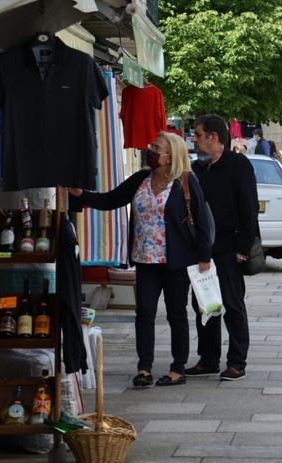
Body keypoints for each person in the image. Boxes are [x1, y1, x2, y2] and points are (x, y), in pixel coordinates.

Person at [69, 132, 213, 388]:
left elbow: (201, 220)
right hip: (145, 260)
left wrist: (204, 256)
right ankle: (144, 367)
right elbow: (110, 200)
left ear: (170, 156)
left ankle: (178, 368)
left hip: (176, 262)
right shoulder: (141, 179)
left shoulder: (185, 181)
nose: (150, 150)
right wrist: (81, 194)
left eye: (156, 147)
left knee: (176, 314)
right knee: (144, 313)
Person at [188, 114, 258, 381]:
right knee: (204, 304)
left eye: (198, 135)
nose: (194, 140)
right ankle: (208, 359)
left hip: (230, 247)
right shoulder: (197, 169)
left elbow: (249, 207)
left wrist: (243, 247)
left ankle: (237, 362)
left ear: (213, 137)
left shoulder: (238, 164)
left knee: (232, 303)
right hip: (203, 250)